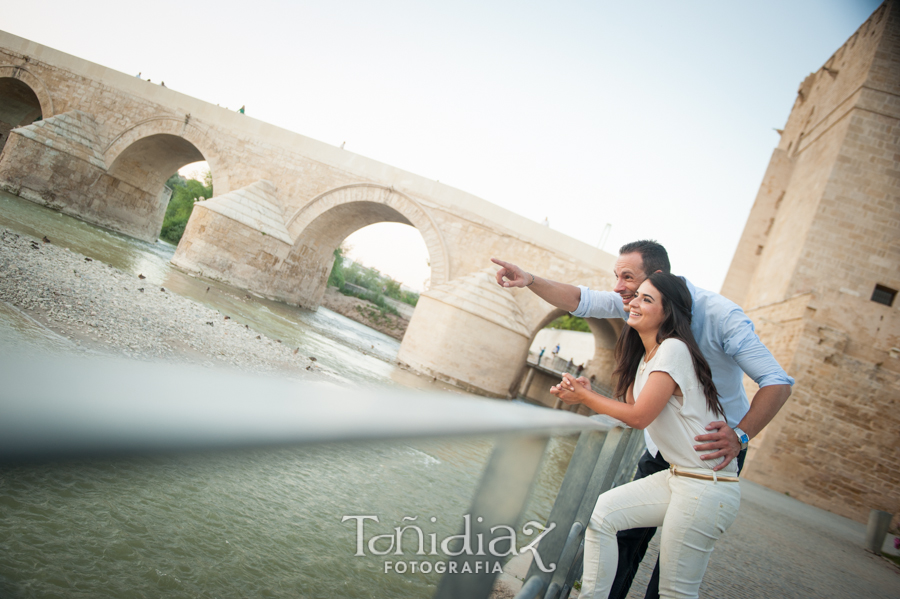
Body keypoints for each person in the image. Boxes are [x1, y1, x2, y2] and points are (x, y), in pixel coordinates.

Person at [491, 240, 792, 599]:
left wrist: (741, 435)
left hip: (713, 452)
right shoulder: (646, 329)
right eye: (617, 278)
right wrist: (529, 279)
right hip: (667, 453)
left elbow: (777, 381)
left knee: (674, 572)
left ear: (657, 281)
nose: (619, 289)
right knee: (615, 526)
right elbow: (581, 300)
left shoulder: (718, 318)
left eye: (628, 279)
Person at [551, 272, 741, 598]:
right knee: (604, 514)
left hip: (705, 487)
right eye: (636, 295)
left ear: (667, 313)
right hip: (679, 476)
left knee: (674, 592)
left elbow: (639, 417)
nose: (634, 302)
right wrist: (589, 390)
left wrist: (585, 398)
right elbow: (630, 405)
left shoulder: (674, 350)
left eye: (646, 299)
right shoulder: (648, 356)